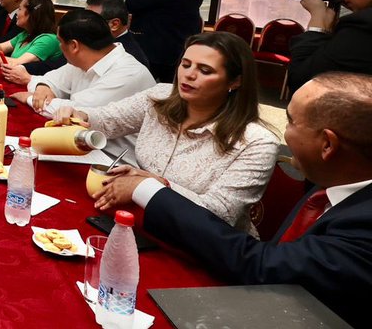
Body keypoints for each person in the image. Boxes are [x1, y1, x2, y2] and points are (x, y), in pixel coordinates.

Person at [138, 72, 372, 326]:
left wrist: (150, 190)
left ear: (327, 144)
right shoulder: (337, 178)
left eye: (291, 122)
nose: (284, 132)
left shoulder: (363, 224)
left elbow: (265, 267)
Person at [56, 31, 279, 234]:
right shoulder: (159, 97)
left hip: (204, 244)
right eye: (185, 64)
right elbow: (109, 119)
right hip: (144, 222)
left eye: (205, 70)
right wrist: (81, 115)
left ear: (235, 81)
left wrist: (152, 185)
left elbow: (220, 213)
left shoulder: (256, 142)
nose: (189, 75)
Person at [10, 9, 155, 155]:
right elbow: (49, 79)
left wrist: (29, 98)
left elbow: (75, 113)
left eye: (60, 42)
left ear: (74, 46)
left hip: (114, 160)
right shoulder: (83, 60)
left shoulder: (128, 73)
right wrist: (43, 87)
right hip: (84, 147)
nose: (59, 47)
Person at [20, 0, 150, 77]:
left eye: (92, 19)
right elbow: (58, 69)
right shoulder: (90, 41)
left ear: (114, 24)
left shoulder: (131, 59)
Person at [126, 0, 206, 82]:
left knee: (142, 85)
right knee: (168, 86)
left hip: (155, 48)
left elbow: (132, 4)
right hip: (179, 47)